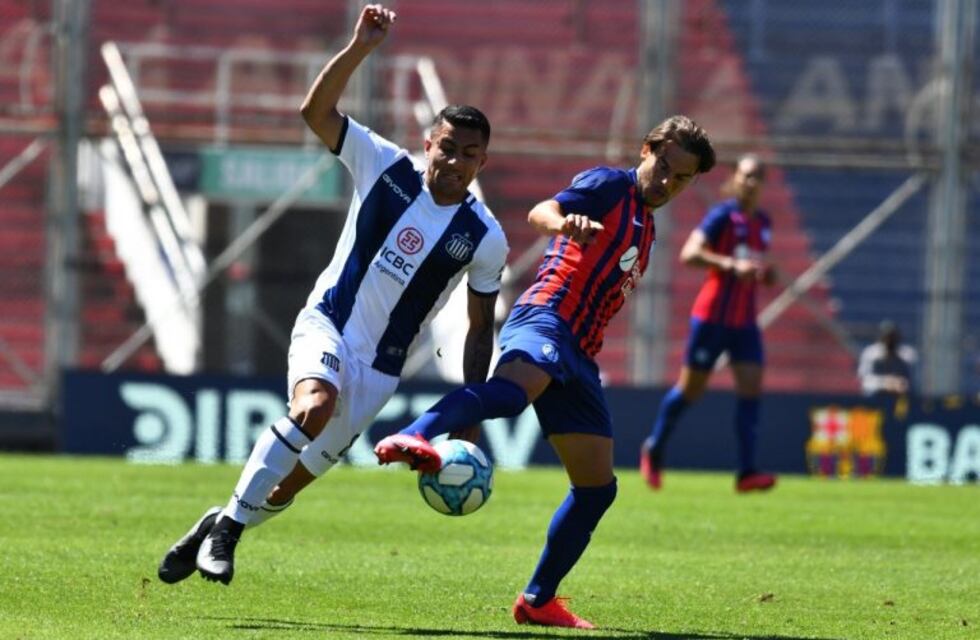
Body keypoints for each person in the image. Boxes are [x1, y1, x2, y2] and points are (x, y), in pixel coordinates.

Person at [157, 4, 508, 586]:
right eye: (447, 147)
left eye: (469, 155)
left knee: (293, 480)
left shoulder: (484, 237)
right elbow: (315, 112)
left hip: (381, 368)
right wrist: (359, 48)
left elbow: (478, 329)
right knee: (313, 408)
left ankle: (218, 521)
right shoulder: (385, 166)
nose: (454, 162)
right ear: (429, 143)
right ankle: (229, 534)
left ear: (482, 162)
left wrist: (469, 417)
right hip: (328, 322)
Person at [374, 116, 716, 629]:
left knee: (598, 489)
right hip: (547, 317)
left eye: (681, 178)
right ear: (647, 150)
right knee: (510, 396)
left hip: (578, 354)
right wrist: (565, 223)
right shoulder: (608, 185)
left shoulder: (647, 224)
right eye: (663, 166)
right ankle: (413, 434)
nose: (666, 181)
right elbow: (542, 211)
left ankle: (536, 601)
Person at [639, 154, 777, 493]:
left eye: (758, 176)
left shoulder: (763, 222)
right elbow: (690, 253)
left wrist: (765, 274)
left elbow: (756, 264)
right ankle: (654, 448)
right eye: (747, 175)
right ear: (735, 179)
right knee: (691, 390)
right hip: (712, 317)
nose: (752, 182)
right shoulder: (721, 216)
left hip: (744, 322)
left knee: (751, 389)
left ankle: (746, 472)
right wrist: (731, 265)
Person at [857, 320, 916, 397]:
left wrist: (899, 383)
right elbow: (863, 381)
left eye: (892, 337)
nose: (889, 340)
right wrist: (884, 383)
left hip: (901, 399)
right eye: (887, 337)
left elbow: (913, 382)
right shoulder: (870, 353)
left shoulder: (908, 354)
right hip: (875, 399)